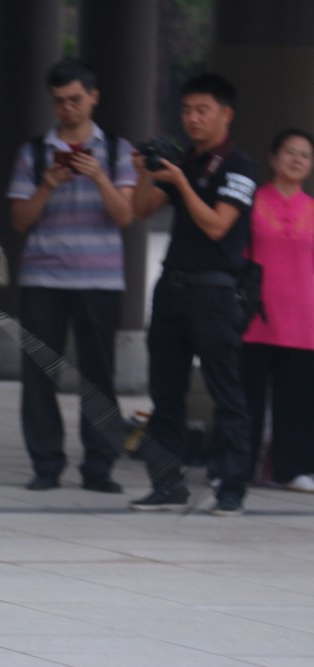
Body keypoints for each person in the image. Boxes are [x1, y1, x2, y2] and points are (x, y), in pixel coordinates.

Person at [131, 73, 257, 516]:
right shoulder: (179, 159)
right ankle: (167, 485)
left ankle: (232, 486)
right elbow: (140, 210)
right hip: (172, 289)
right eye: (187, 110)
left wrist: (181, 182)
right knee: (165, 391)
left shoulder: (238, 166)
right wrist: (147, 174)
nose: (193, 118)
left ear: (226, 114)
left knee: (227, 393)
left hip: (216, 294)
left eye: (203, 110)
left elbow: (218, 224)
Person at [7, 58, 135, 494]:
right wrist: (47, 185)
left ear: (94, 97)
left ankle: (99, 467)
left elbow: (125, 215)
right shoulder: (35, 152)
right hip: (44, 279)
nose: (68, 109)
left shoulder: (116, 150)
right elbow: (20, 220)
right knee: (39, 374)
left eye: (76, 99)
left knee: (98, 377)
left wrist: (99, 177)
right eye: (60, 101)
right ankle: (46, 465)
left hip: (101, 281)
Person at [240, 128, 314, 493]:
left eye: (305, 155)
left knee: (296, 401)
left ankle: (290, 471)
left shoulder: (313, 210)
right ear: (273, 158)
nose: (297, 159)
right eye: (290, 152)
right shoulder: (252, 203)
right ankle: (239, 464)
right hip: (256, 315)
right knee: (246, 395)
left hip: (303, 319)